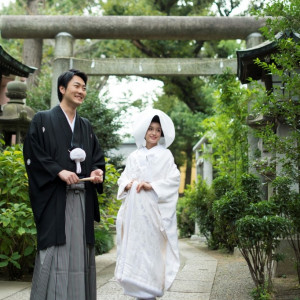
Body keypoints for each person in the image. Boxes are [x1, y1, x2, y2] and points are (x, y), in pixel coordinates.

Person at [23, 69, 105, 300]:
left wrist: (97, 171)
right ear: (62, 89)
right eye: (77, 86)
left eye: (84, 88)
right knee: (55, 252)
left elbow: (96, 158)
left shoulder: (85, 126)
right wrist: (58, 171)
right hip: (55, 200)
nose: (82, 91)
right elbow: (33, 154)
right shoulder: (43, 119)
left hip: (81, 200)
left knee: (80, 253)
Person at [115, 108, 180, 300]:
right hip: (135, 214)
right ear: (144, 131)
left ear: (162, 133)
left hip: (154, 211)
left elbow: (174, 179)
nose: (153, 133)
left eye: (158, 130)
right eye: (150, 128)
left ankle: (151, 290)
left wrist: (151, 185)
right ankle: (137, 290)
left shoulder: (165, 155)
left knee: (152, 251)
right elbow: (123, 177)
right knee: (136, 248)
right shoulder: (134, 156)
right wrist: (127, 184)